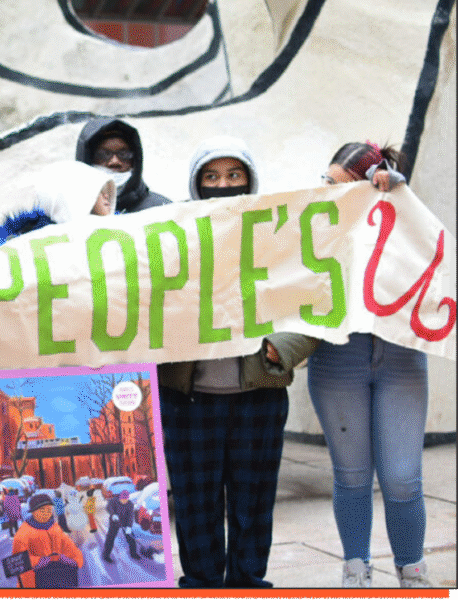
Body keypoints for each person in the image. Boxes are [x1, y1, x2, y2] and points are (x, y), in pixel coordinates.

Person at [157, 135, 319, 588]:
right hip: (188, 401)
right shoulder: (173, 240)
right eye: (211, 176)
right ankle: (202, 585)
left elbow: (314, 300)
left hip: (258, 399)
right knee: (195, 503)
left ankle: (249, 585)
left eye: (233, 175)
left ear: (250, 181)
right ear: (196, 184)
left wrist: (280, 349)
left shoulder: (277, 239)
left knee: (253, 502)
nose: (222, 184)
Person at [308, 141, 432, 588]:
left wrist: (402, 199)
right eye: (326, 183)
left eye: (343, 187)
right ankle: (355, 569)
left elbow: (430, 257)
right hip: (338, 357)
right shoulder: (315, 224)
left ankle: (412, 570)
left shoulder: (403, 217)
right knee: (353, 474)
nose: (329, 193)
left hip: (400, 356)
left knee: (402, 478)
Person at [0, 160, 116, 249]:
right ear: (76, 195)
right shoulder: (25, 246)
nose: (106, 196)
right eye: (99, 191)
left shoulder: (124, 232)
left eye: (107, 191)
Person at [74, 116, 171, 213]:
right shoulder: (69, 213)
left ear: (135, 161)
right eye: (104, 154)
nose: (115, 162)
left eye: (124, 154)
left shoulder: (162, 210)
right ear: (87, 160)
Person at [11, 493, 84, 588]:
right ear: (33, 512)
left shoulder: (55, 527)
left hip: (59, 580)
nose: (46, 513)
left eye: (49, 510)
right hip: (34, 584)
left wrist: (73, 560)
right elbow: (16, 563)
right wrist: (37, 561)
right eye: (42, 510)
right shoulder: (23, 533)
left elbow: (69, 547)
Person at [101, 489, 137, 562]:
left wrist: (129, 527)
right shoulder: (113, 501)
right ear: (120, 498)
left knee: (131, 537)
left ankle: (133, 553)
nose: (124, 501)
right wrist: (113, 514)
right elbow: (108, 507)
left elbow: (130, 516)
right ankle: (106, 555)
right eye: (122, 499)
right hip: (114, 522)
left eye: (125, 499)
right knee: (110, 538)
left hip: (125, 522)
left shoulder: (130, 504)